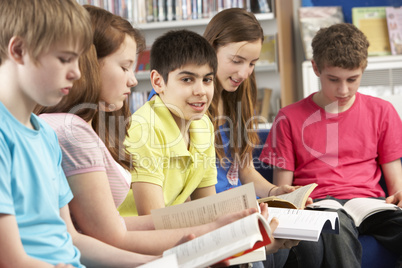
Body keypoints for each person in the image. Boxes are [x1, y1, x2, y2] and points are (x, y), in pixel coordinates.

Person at [35, 4, 263, 258]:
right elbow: (111, 233)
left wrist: (222, 226)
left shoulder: (201, 125)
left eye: (207, 79)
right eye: (124, 67)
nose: (133, 80)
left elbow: (201, 207)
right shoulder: (86, 129)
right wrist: (207, 236)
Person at [0, 0, 159, 267]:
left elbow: (72, 240)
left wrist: (161, 261)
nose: (76, 73)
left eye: (78, 60)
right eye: (64, 59)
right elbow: (12, 260)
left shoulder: (46, 136)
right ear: (18, 50)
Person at [260, 23, 402, 267]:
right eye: (333, 79)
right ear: (315, 68)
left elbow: (395, 183)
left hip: (371, 206)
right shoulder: (289, 117)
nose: (343, 90)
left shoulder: (383, 111)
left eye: (353, 79)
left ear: (363, 69)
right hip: (320, 205)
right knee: (334, 225)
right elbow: (284, 192)